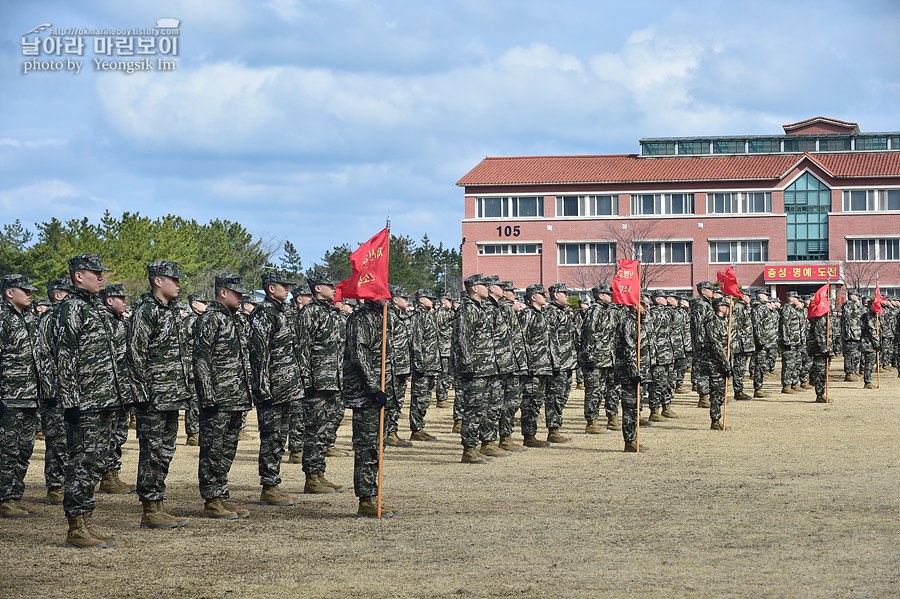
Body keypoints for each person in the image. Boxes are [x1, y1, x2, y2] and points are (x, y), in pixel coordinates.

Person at [56, 254, 122, 548]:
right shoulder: (70, 308)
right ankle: (75, 528)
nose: (101, 277)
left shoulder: (95, 308)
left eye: (101, 272)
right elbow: (65, 357)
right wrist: (70, 402)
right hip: (84, 402)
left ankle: (86, 522)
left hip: (104, 399)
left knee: (93, 463)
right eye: (95, 272)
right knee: (81, 463)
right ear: (78, 276)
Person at [127, 262, 193, 529]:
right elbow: (135, 353)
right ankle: (150, 508)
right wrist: (142, 393)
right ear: (157, 281)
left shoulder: (172, 312)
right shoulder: (147, 312)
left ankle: (158, 504)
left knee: (165, 451)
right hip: (153, 398)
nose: (178, 284)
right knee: (151, 452)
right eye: (173, 279)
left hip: (172, 396)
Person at [249, 270, 315, 507]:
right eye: (283, 286)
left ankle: (274, 483)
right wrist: (263, 390)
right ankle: (268, 486)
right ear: (270, 288)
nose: (287, 290)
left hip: (289, 387)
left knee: (280, 439)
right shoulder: (264, 314)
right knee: (271, 438)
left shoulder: (285, 311)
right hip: (273, 389)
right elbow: (259, 354)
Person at [193, 273, 253, 519]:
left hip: (236, 397)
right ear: (223, 292)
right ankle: (211, 499)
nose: (241, 297)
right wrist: (207, 396)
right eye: (236, 292)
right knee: (213, 449)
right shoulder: (210, 319)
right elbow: (201, 358)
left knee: (227, 448)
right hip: (217, 398)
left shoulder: (236, 320)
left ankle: (221, 494)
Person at [342, 298, 397, 517]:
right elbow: (360, 354)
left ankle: (374, 495)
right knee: (366, 447)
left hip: (380, 391)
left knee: (376, 445)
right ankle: (366, 499)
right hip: (367, 394)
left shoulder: (382, 317)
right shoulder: (361, 318)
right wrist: (374, 388)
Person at [0, 274, 46, 519]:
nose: (29, 294)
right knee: (7, 449)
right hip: (9, 397)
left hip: (31, 396)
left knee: (24, 448)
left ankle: (15, 496)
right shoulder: (3, 318)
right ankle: (4, 498)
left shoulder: (30, 319)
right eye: (24, 290)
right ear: (9, 292)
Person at [299, 276, 345, 493]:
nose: (334, 289)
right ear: (318, 288)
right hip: (317, 382)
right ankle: (311, 477)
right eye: (330, 286)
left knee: (326, 430)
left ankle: (320, 472)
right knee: (314, 430)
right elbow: (302, 348)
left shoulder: (330, 312)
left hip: (333, 381)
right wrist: (307, 380)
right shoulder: (310, 312)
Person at [453, 274, 500, 463]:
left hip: (487, 366)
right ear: (473, 288)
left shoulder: (481, 308)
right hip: (475, 369)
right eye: (483, 285)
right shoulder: (468, 309)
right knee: (472, 409)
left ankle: (481, 444)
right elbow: (463, 339)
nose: (487, 288)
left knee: (483, 408)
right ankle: (469, 449)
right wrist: (467, 364)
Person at [33, 278, 72, 506]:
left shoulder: (70, 316)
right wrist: (49, 390)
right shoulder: (50, 319)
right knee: (57, 440)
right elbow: (42, 356)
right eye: (68, 292)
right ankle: (55, 486)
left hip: (73, 391)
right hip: (55, 392)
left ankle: (68, 483)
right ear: (57, 295)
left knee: (72, 441)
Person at [96, 284, 136, 496]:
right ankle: (105, 475)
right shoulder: (101, 320)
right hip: (106, 389)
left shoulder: (120, 320)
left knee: (117, 434)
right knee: (105, 435)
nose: (125, 300)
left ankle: (112, 474)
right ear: (109, 300)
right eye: (120, 297)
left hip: (122, 388)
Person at [579, 285, 621, 434]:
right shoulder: (594, 310)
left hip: (611, 357)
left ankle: (612, 417)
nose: (610, 296)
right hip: (596, 358)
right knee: (594, 390)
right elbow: (587, 333)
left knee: (613, 389)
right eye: (607, 294)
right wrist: (588, 356)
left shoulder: (610, 310)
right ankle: (592, 422)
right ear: (600, 295)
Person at [517, 284, 552, 449]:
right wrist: (525, 364)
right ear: (533, 297)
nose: (545, 297)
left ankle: (532, 434)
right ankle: (529, 435)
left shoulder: (541, 314)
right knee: (529, 402)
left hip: (543, 365)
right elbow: (521, 339)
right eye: (541, 294)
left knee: (537, 401)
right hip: (532, 366)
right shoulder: (527, 314)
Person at [543, 283, 577, 443]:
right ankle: (553, 430)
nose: (567, 296)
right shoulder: (551, 312)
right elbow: (550, 339)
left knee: (562, 396)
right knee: (554, 397)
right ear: (556, 295)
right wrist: (555, 363)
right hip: (558, 363)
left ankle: (556, 427)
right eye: (565, 293)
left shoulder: (564, 312)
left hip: (568, 361)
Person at [409, 289, 441, 442]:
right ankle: (416, 429)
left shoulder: (429, 316)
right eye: (429, 298)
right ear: (421, 300)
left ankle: (420, 427)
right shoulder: (418, 316)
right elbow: (416, 341)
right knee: (419, 398)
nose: (432, 301)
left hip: (431, 364)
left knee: (426, 398)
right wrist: (418, 364)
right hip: (423, 365)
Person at [384, 286, 413, 448]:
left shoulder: (404, 316)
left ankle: (392, 431)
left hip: (403, 365)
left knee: (398, 401)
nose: (407, 300)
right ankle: (387, 432)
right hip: (391, 366)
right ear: (395, 299)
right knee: (389, 400)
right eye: (404, 297)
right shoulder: (388, 316)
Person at [183, 294, 209, 446]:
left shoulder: (206, 319)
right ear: (194, 304)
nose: (206, 305)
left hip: (205, 368)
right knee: (193, 403)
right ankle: (193, 434)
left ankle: (203, 432)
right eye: (203, 302)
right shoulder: (189, 321)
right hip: (192, 368)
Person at [707, 298, 732, 430]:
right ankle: (715, 420)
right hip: (715, 362)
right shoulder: (713, 323)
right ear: (720, 307)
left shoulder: (725, 322)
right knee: (716, 392)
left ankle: (717, 419)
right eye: (727, 306)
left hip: (724, 362)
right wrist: (725, 362)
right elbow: (716, 345)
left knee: (721, 392)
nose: (729, 308)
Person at [779, 292, 804, 394]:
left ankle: (794, 382)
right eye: (796, 298)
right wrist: (786, 340)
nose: (798, 300)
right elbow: (785, 325)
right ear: (791, 298)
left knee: (796, 363)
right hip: (789, 342)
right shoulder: (787, 309)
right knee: (788, 364)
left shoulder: (794, 309)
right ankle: (786, 385)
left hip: (797, 341)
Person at [841, 290, 862, 381]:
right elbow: (847, 320)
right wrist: (848, 333)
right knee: (849, 354)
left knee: (855, 354)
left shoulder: (855, 305)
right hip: (851, 334)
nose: (858, 297)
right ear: (851, 296)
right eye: (856, 295)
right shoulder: (848, 305)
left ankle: (853, 371)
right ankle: (849, 373)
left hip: (856, 333)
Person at [860, 298, 881, 390]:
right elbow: (872, 331)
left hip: (869, 342)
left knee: (871, 362)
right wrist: (877, 343)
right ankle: (867, 382)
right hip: (868, 342)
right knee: (869, 362)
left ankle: (868, 380)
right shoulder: (869, 316)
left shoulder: (872, 315)